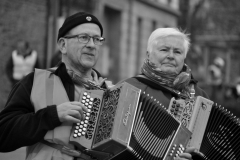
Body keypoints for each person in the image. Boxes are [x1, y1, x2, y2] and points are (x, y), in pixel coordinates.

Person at [0, 12, 109, 160]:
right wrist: (52, 115)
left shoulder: (109, 91)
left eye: (97, 39)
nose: (91, 45)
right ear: (63, 45)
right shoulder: (35, 82)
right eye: (84, 37)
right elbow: (3, 134)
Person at [121, 28, 209, 160]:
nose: (171, 56)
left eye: (177, 52)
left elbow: (207, 148)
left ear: (184, 58)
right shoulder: (129, 88)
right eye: (164, 50)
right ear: (148, 55)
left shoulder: (199, 95)